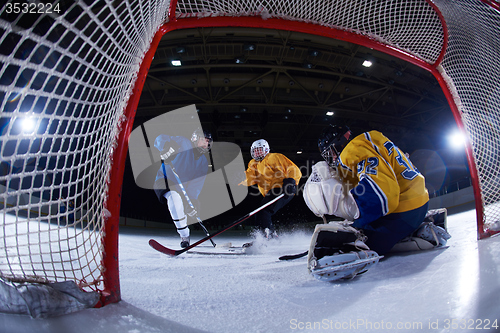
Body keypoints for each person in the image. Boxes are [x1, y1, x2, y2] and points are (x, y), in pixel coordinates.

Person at [304, 125, 432, 256]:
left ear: (340, 142)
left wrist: (353, 215)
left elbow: (383, 196)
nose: (333, 159)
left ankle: (409, 237)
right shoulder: (371, 140)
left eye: (331, 153)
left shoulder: (353, 150)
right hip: (419, 202)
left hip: (403, 213)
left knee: (345, 245)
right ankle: (412, 233)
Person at [153, 128, 213, 248]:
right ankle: (185, 235)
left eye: (207, 141)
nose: (205, 143)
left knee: (179, 202)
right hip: (164, 179)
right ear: (195, 139)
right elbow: (159, 139)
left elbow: (195, 186)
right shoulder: (183, 143)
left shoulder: (203, 163)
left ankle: (185, 234)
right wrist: (166, 147)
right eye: (203, 140)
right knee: (174, 199)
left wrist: (191, 202)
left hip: (180, 188)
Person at [239, 139, 302, 238]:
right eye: (255, 150)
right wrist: (239, 178)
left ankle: (268, 236)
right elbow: (250, 177)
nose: (257, 152)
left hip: (282, 189)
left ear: (266, 149)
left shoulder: (274, 157)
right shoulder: (253, 164)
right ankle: (267, 236)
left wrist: (291, 181)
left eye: (259, 150)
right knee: (260, 213)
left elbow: (292, 168)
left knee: (264, 211)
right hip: (271, 192)